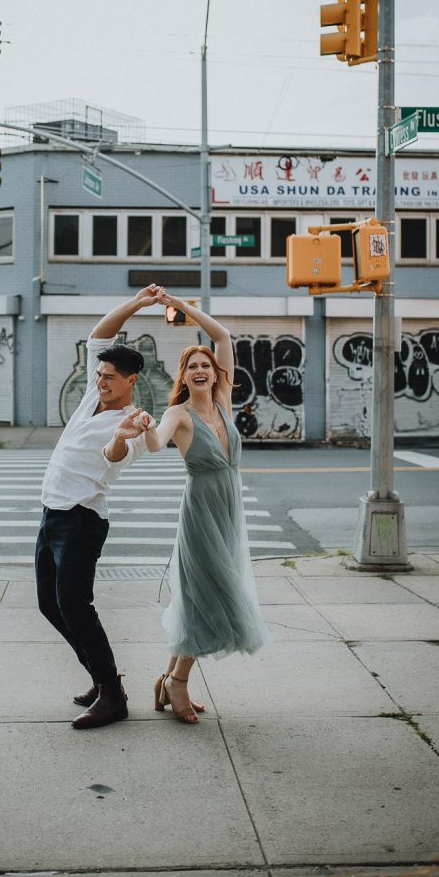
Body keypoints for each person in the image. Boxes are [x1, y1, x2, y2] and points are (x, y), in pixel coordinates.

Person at [141, 291, 272, 724]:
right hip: (200, 513)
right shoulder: (178, 414)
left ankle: (166, 680)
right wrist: (142, 429)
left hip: (228, 510)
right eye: (191, 366)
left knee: (205, 596)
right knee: (211, 597)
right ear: (184, 375)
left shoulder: (224, 403)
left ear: (215, 374)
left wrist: (180, 304)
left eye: (205, 365)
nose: (200, 370)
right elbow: (158, 444)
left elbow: (221, 334)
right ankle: (178, 682)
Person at [35, 284, 162, 730]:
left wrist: (119, 435)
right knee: (49, 605)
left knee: (74, 605)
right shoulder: (94, 396)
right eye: (100, 374)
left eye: (109, 377)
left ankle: (113, 697)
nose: (101, 381)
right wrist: (136, 303)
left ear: (131, 382)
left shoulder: (136, 423)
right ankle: (101, 675)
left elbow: (114, 458)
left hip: (82, 521)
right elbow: (99, 336)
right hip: (52, 514)